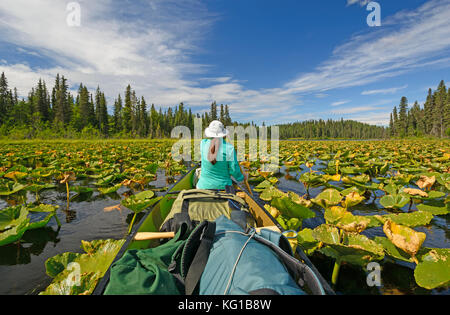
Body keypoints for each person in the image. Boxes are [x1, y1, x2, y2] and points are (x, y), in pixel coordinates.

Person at [196, 120, 245, 190]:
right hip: (224, 187)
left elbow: (213, 148)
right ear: (223, 134)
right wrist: (242, 177)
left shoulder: (202, 143)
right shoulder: (229, 148)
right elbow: (234, 170)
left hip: (202, 186)